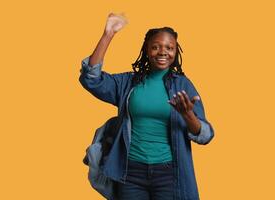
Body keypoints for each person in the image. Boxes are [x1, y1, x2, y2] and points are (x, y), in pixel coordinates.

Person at [79, 13, 215, 200]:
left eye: (169, 47)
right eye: (156, 47)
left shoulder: (182, 85)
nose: (162, 52)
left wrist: (188, 115)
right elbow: (92, 80)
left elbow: (205, 135)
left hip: (169, 174)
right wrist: (107, 35)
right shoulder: (128, 83)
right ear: (147, 50)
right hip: (131, 173)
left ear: (176, 52)